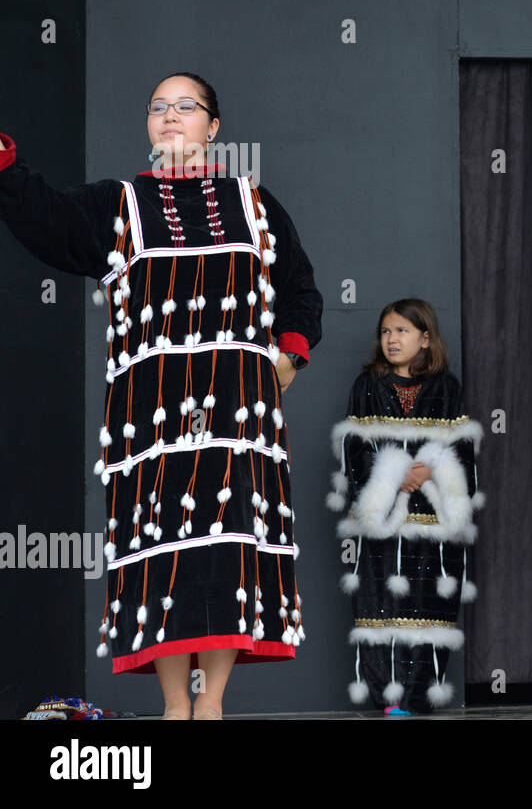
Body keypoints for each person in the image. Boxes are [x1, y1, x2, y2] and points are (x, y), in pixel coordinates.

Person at [0, 72, 323, 719]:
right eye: (157, 107)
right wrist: (5, 162)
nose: (169, 115)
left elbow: (300, 287)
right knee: (167, 555)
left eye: (185, 106)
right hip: (154, 418)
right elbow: (47, 220)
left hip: (237, 416)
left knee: (229, 545)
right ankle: (177, 706)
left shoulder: (254, 202)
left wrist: (288, 356)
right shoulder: (117, 204)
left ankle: (214, 705)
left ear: (213, 125)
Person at [326, 298, 482, 714]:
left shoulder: (447, 389)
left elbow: (462, 450)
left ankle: (417, 700)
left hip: (433, 526)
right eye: (386, 332)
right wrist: (395, 476)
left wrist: (430, 471)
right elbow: (353, 450)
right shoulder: (368, 387)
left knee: (429, 608)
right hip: (385, 525)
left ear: (425, 338)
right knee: (382, 609)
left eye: (402, 331)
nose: (392, 339)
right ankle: (386, 703)